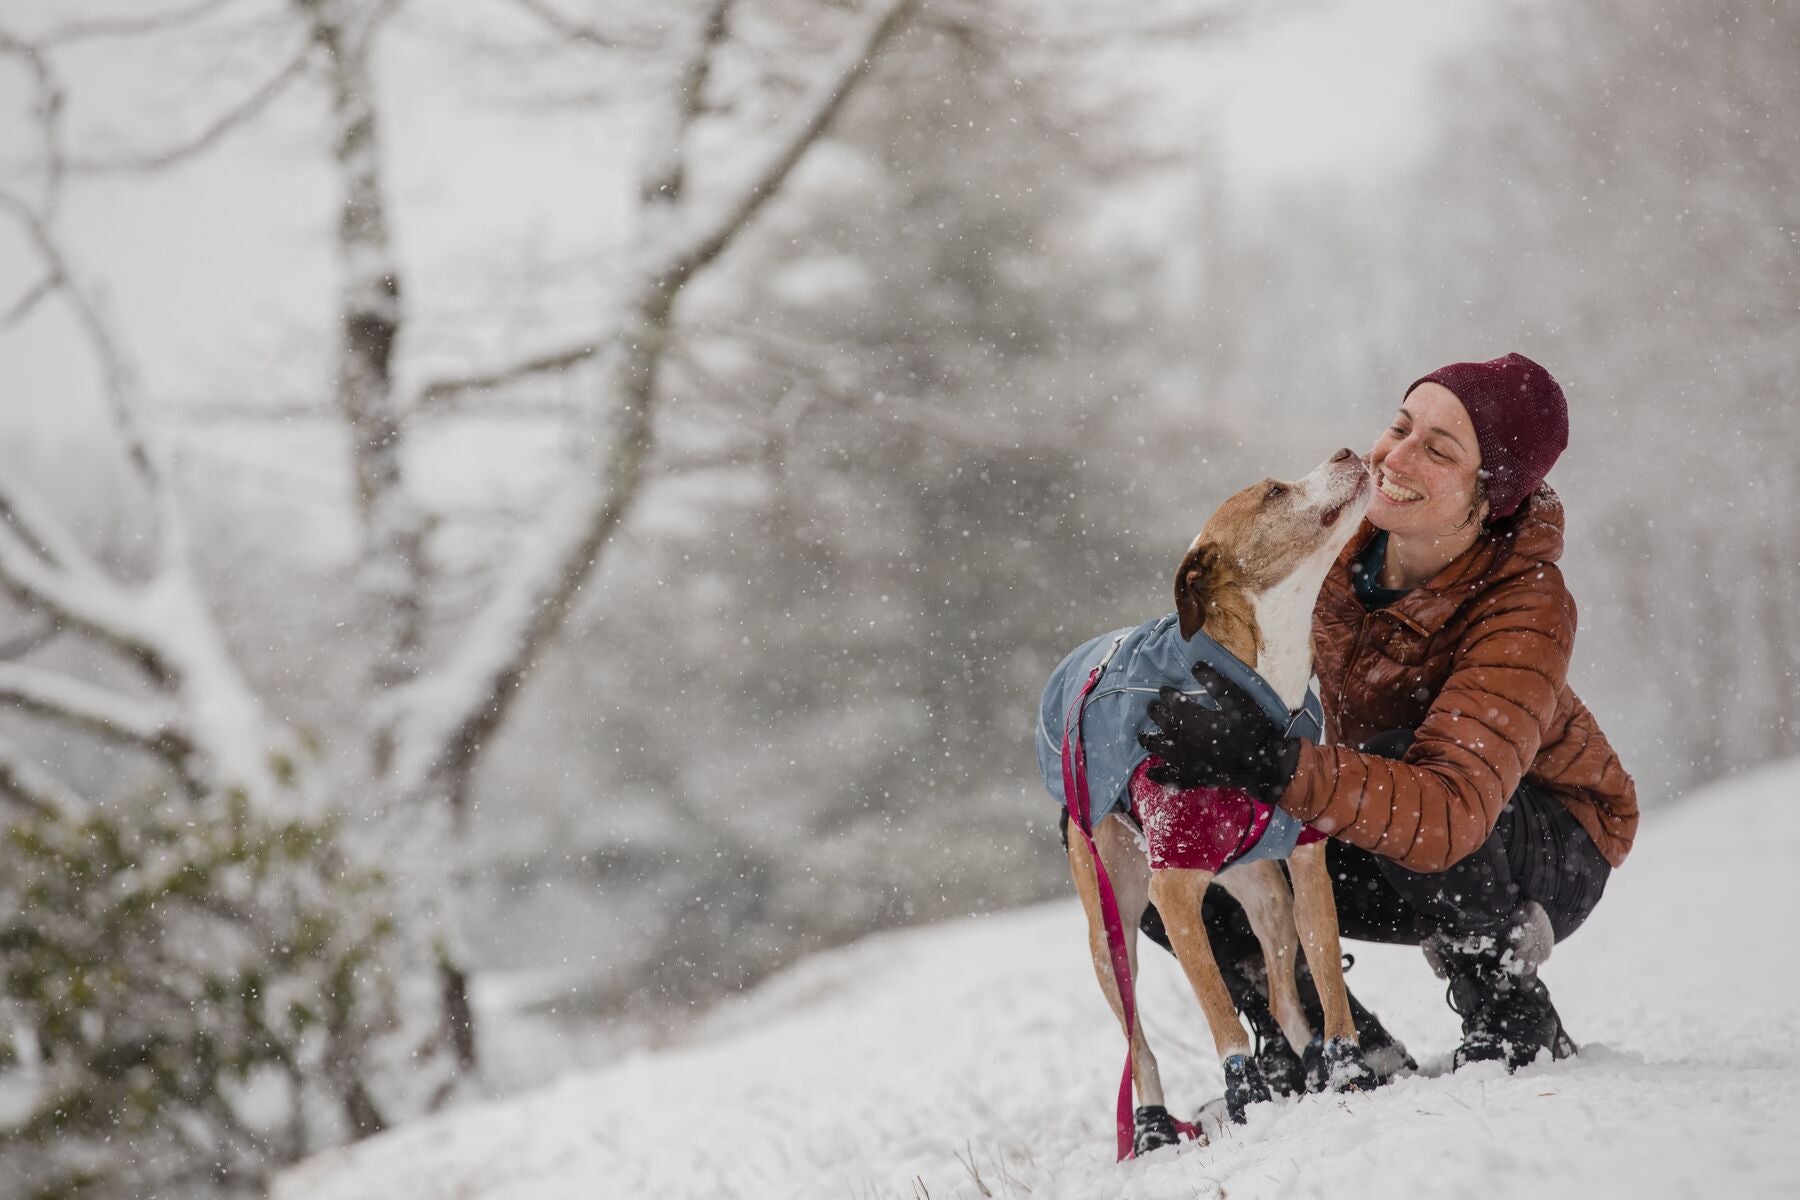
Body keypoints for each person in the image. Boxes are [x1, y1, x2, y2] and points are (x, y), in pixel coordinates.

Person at [1137, 352, 1638, 1075]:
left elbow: (1453, 807)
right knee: (1182, 862)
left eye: (1438, 450)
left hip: (1543, 838)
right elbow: (1236, 622)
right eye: (1400, 426)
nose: (1395, 456)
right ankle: (1326, 1037)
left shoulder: (1527, 600)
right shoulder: (1341, 553)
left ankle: (1506, 1006)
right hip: (1392, 822)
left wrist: (1272, 763)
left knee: (1404, 758)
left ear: (1487, 495)